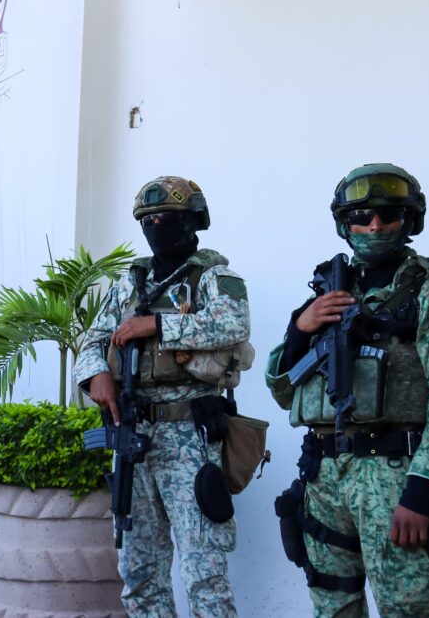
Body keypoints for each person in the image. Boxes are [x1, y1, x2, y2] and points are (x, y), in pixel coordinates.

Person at [265, 164, 429, 617]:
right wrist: (300, 329)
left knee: (413, 606)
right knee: (332, 604)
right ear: (344, 224)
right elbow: (285, 391)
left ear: (410, 221)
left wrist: (423, 492)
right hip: (323, 476)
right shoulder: (328, 293)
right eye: (361, 217)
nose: (375, 226)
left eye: (389, 215)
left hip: (394, 475)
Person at [73, 176, 252, 617]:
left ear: (193, 221)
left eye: (166, 219)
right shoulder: (129, 281)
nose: (155, 226)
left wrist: (157, 326)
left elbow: (234, 325)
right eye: (147, 220)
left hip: (191, 437)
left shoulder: (215, 277)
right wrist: (95, 374)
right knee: (139, 572)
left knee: (204, 573)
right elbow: (94, 338)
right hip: (134, 435)